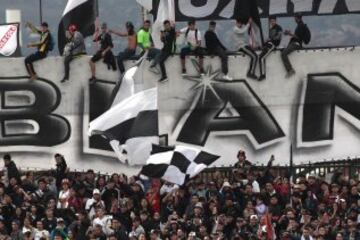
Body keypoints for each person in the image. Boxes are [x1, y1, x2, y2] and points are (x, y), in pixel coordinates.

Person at [282, 13, 310, 78]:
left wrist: (289, 33)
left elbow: (298, 37)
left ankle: (290, 70)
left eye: (295, 18)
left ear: (297, 18)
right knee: (283, 51)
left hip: (296, 44)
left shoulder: (300, 25)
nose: (294, 19)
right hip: (295, 43)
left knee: (283, 54)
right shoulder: (300, 25)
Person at [258, 16, 283, 81]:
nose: (272, 22)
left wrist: (270, 39)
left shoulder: (279, 28)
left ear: (275, 21)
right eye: (271, 21)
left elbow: (278, 37)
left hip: (273, 45)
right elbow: (269, 39)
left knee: (262, 58)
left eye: (273, 21)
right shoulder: (271, 29)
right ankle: (262, 74)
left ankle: (263, 75)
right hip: (268, 45)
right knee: (260, 57)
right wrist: (264, 43)